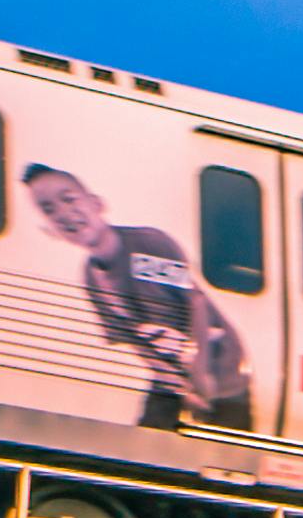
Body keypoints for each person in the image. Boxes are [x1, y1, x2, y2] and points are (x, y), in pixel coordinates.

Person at [25, 164, 250, 430]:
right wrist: (178, 385)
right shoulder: (92, 276)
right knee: (148, 440)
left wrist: (200, 378)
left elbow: (195, 302)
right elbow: (136, 340)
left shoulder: (143, 251)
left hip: (218, 364)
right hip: (174, 375)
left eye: (69, 199)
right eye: (49, 210)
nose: (64, 213)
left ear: (97, 203)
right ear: (50, 229)